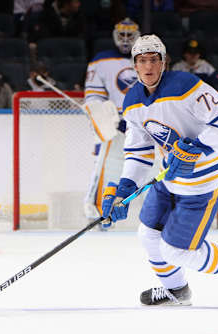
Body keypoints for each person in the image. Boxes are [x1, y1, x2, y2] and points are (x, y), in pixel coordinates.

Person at [101, 34, 218, 307]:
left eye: (153, 60)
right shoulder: (132, 101)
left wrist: (196, 147)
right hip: (171, 176)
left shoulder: (186, 85)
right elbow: (139, 150)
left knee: (176, 250)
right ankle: (176, 290)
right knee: (148, 234)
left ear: (164, 62)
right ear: (134, 65)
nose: (148, 67)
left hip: (207, 178)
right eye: (142, 61)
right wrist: (125, 189)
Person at [82, 17, 140, 224]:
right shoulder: (101, 61)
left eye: (129, 35)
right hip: (114, 126)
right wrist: (102, 116)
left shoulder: (147, 58)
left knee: (152, 169)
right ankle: (97, 213)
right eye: (122, 35)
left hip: (143, 126)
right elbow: (93, 96)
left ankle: (161, 214)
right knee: (106, 168)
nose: (125, 40)